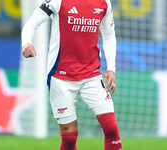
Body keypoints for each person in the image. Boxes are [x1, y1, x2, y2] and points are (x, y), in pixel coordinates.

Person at [21, 0, 122, 149]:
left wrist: (111, 68)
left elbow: (108, 35)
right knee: (69, 139)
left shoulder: (104, 2)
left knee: (112, 128)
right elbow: (32, 22)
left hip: (92, 75)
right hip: (61, 78)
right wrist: (26, 43)